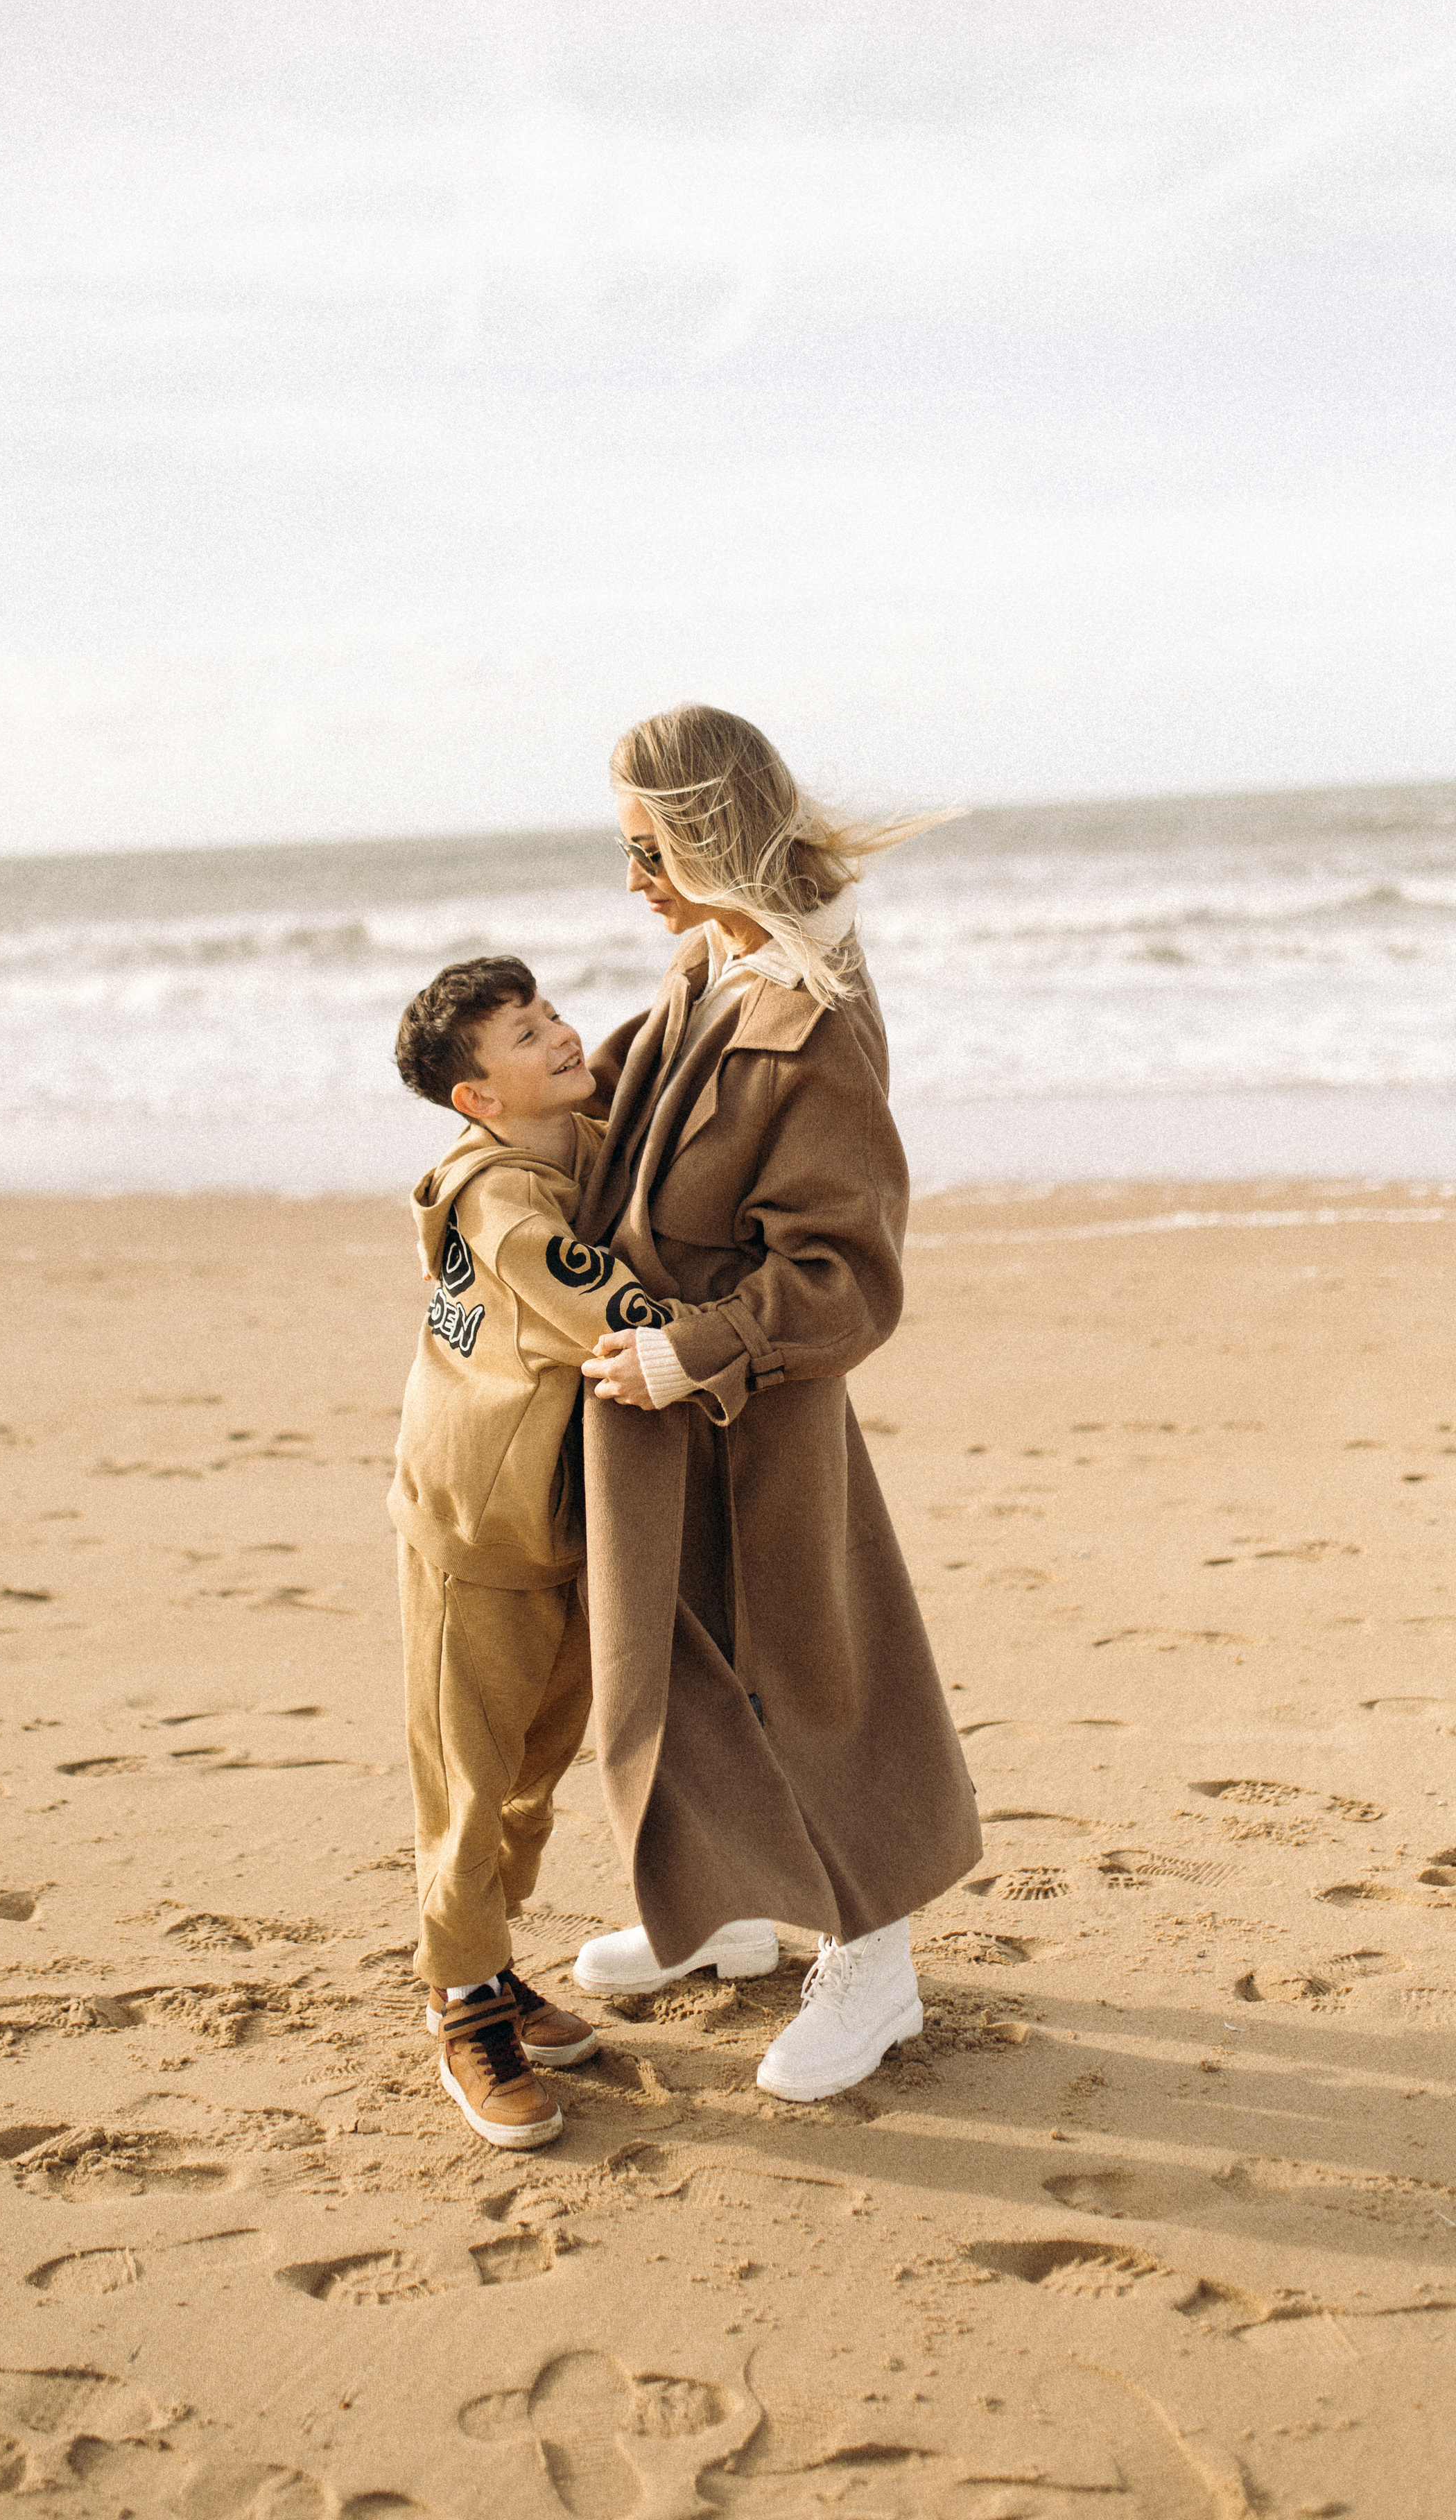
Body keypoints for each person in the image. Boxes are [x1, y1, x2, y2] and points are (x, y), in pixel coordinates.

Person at [570, 703, 982, 2102]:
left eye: (645, 850)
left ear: (705, 838)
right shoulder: (708, 963)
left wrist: (699, 1349)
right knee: (670, 1666)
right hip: (650, 1413)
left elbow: (848, 1279)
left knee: (804, 1673)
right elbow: (605, 1126)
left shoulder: (810, 1013)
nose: (629, 882)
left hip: (755, 1419)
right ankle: (727, 1907)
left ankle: (873, 1963)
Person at [388, 953, 681, 2148]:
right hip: (475, 1534)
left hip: (550, 1527)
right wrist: (758, 1332)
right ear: (479, 1099)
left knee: (528, 1776)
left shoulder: (566, 1138)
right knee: (469, 1787)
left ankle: (491, 1966)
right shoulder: (505, 1205)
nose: (562, 1035)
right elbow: (623, 1314)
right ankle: (460, 2005)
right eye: (526, 1034)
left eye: (551, 1010)